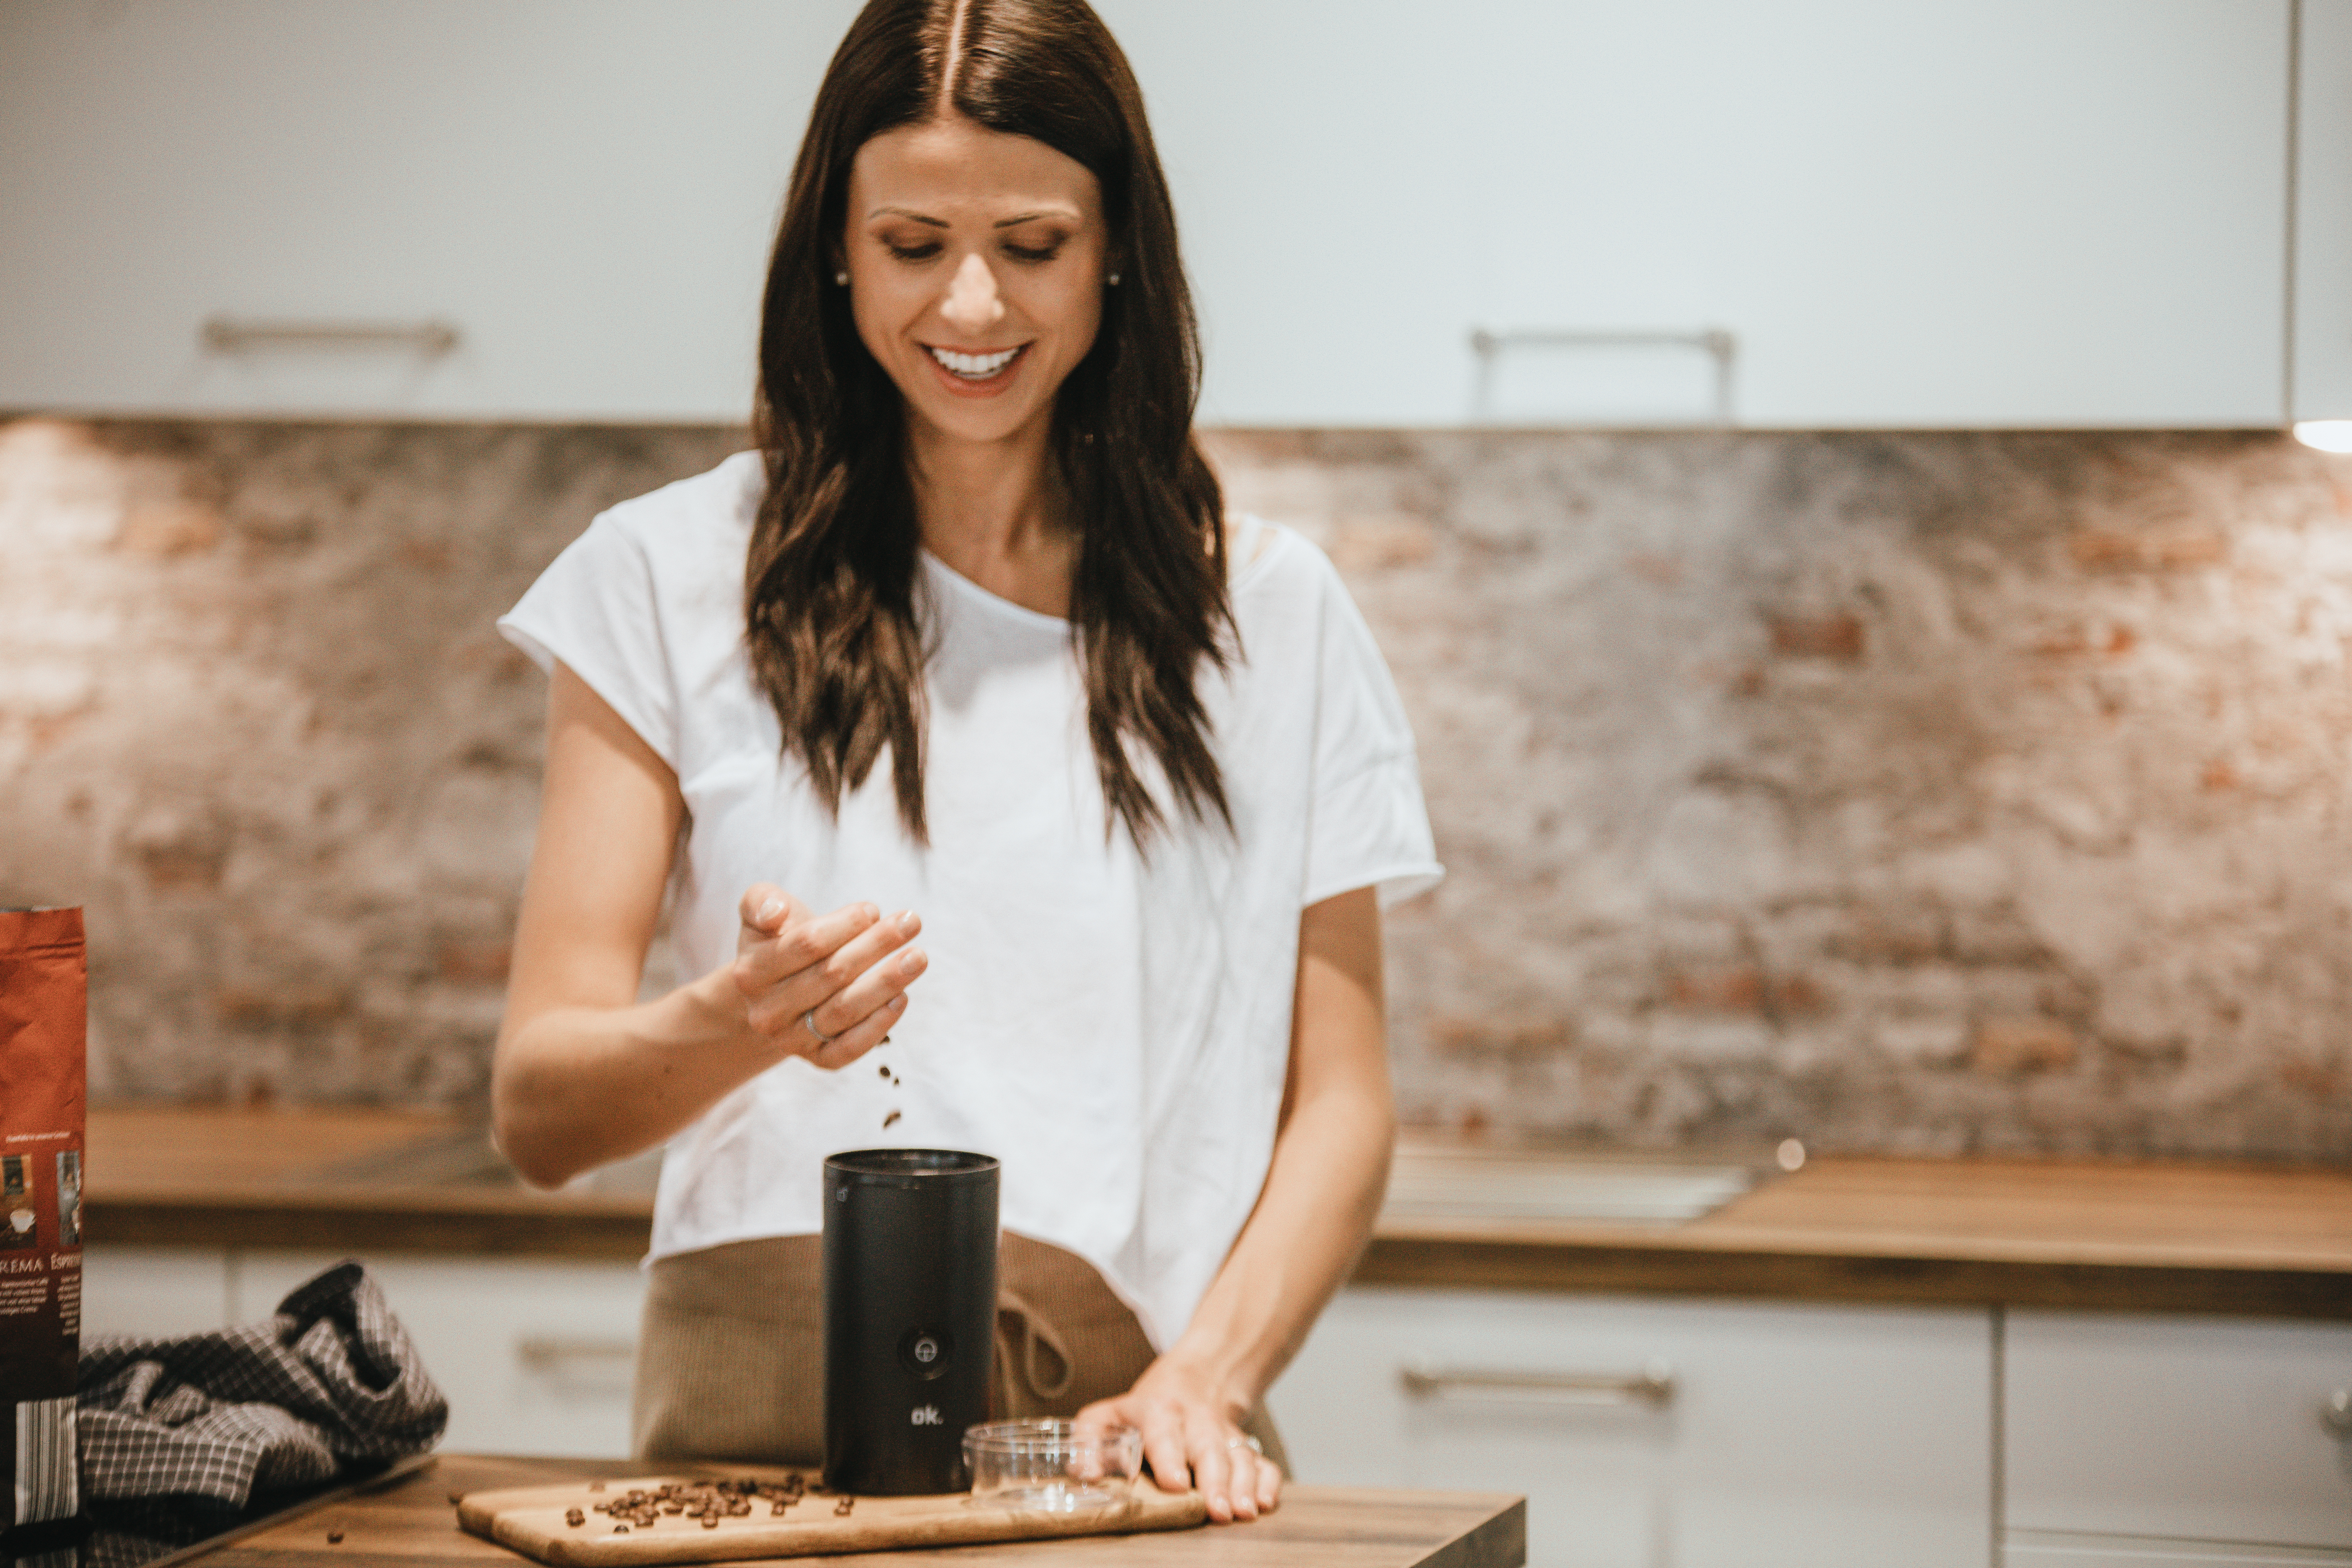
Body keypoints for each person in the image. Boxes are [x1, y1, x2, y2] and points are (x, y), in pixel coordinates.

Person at [489, 0, 1440, 1525]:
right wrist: (739, 1024)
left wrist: (1208, 1370)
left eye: (1036, 244)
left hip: (1127, 1437)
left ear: (1119, 249)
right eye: (915, 244)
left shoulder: (1266, 613)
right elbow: (538, 1113)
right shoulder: (659, 578)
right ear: (838, 253)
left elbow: (1338, 1102)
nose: (974, 303)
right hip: (752, 1432)